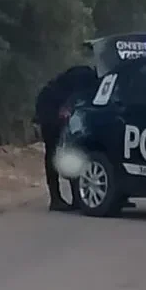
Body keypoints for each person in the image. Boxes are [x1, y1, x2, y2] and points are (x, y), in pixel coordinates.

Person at [34, 65, 99, 211]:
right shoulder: (86, 75)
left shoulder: (90, 76)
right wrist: (67, 108)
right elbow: (74, 94)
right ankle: (56, 199)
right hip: (50, 106)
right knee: (53, 151)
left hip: (54, 104)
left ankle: (76, 198)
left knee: (71, 151)